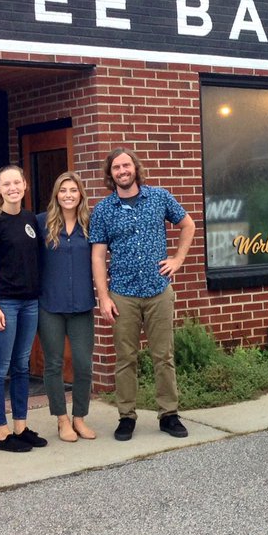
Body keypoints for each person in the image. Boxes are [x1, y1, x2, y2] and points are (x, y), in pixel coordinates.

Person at [90, 147, 196, 441]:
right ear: (110, 174)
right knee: (125, 358)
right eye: (116, 168)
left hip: (158, 290)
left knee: (164, 356)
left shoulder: (159, 197)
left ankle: (169, 415)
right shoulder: (103, 210)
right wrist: (103, 297)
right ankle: (126, 417)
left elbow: (188, 225)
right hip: (122, 294)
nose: (122, 171)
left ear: (135, 168)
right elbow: (98, 256)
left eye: (126, 165)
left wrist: (177, 259)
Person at [0, 165, 46, 453]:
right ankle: (1, 434)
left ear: (25, 185)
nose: (13, 188)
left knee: (21, 366)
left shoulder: (29, 218)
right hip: (4, 303)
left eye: (17, 182)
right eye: (6, 184)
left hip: (29, 303)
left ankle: (20, 427)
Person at [36, 171, 97, 443]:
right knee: (54, 364)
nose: (68, 195)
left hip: (81, 305)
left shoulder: (91, 224)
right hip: (50, 304)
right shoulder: (41, 223)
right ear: (56, 195)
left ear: (80, 194)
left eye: (73, 190)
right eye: (63, 190)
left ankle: (79, 417)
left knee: (83, 364)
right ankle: (62, 419)